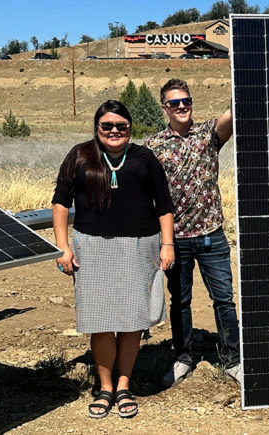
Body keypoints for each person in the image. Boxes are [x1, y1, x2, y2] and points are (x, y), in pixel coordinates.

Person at [52, 100, 175, 418]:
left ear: (130, 127)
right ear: (97, 127)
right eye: (107, 125)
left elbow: (164, 204)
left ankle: (124, 386)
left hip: (140, 248)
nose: (114, 130)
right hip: (92, 249)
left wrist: (167, 244)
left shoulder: (144, 157)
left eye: (121, 125)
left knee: (133, 321)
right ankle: (105, 388)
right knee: (101, 321)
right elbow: (60, 203)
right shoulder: (80, 155)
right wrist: (63, 246)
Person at [144, 78, 241, 387]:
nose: (182, 106)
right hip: (176, 240)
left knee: (224, 300)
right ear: (165, 109)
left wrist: (245, 74)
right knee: (180, 302)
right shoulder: (153, 146)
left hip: (212, 235)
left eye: (186, 101)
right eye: (175, 103)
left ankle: (233, 360)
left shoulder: (208, 135)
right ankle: (183, 357)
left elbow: (233, 112)